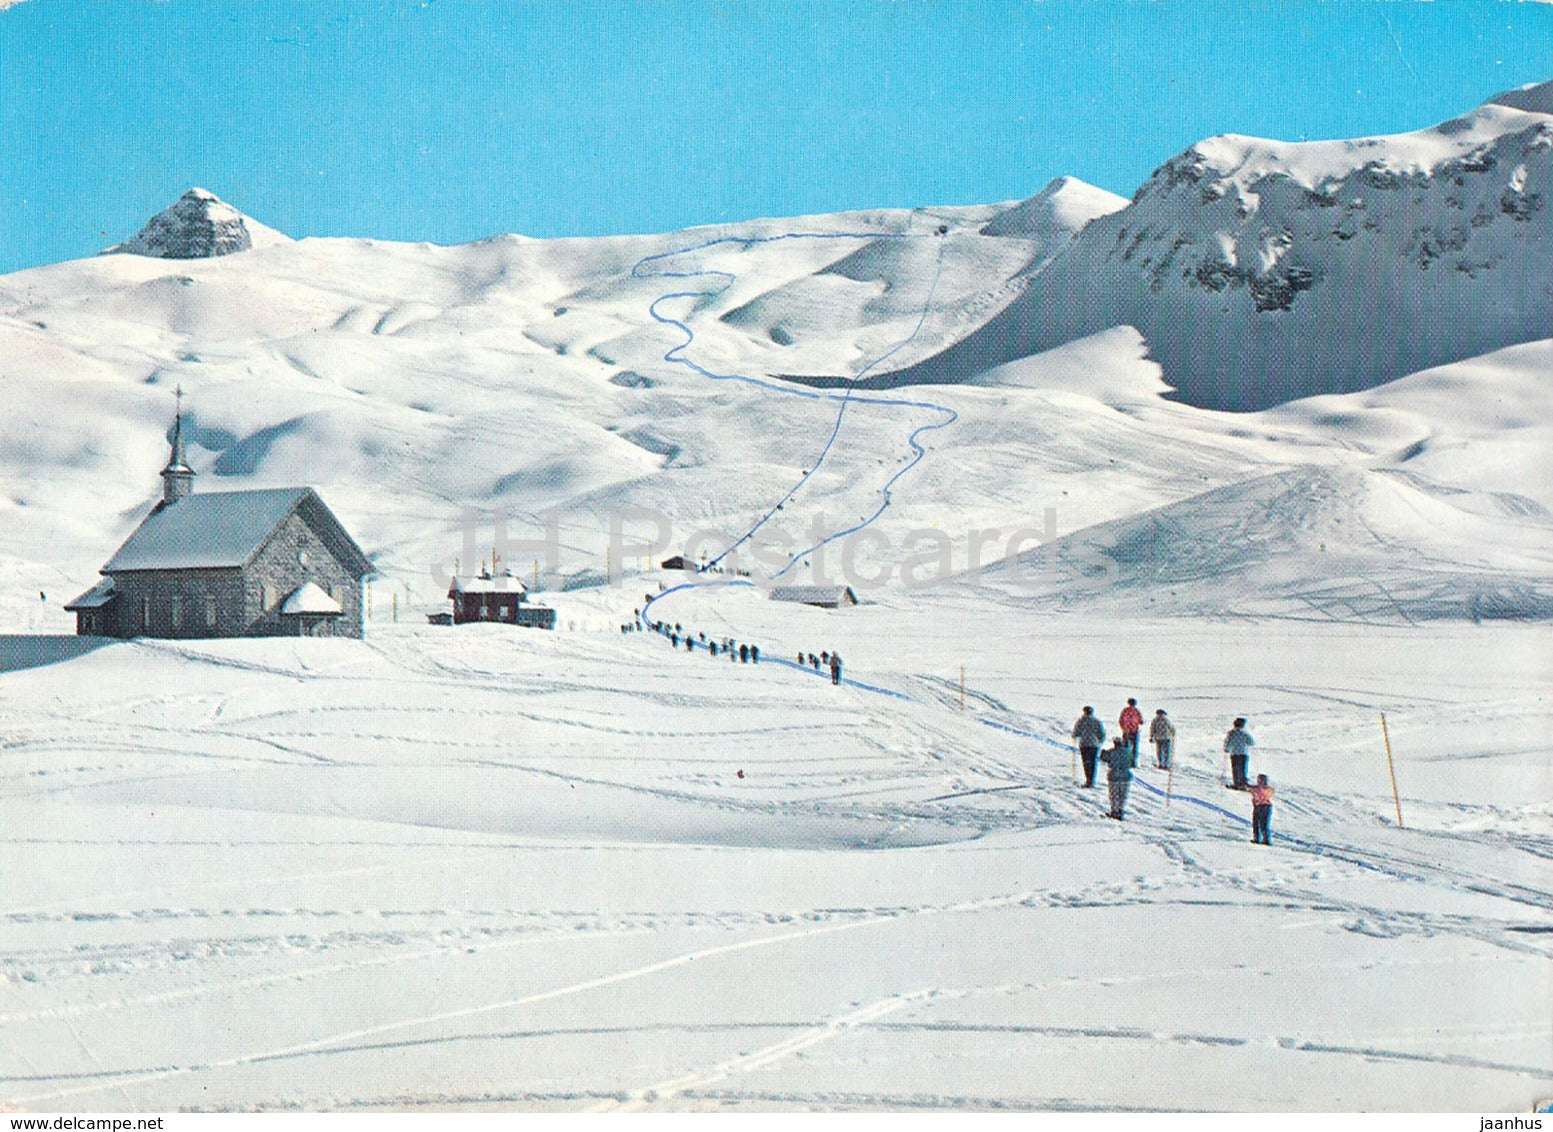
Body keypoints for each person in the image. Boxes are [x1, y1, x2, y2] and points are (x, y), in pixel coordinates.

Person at [1099, 736, 1137, 820]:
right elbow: (1133, 763)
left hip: (1114, 776)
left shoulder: (1111, 752)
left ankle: (1114, 811)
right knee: (1123, 795)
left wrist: (1102, 753)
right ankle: (1121, 810)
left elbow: (1104, 758)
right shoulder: (1128, 752)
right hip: (1125, 776)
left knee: (1114, 795)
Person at [1071, 707, 1105, 788]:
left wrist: (1075, 736)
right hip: (1094, 745)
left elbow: (1076, 733)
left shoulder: (1081, 721)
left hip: (1084, 745)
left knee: (1086, 763)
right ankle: (1092, 780)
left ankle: (1088, 780)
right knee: (1093, 762)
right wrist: (1100, 741)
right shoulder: (1097, 721)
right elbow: (1102, 734)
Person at [1224, 717, 1255, 789]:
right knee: (1243, 769)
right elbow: (1251, 742)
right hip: (1244, 753)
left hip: (1234, 754)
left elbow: (1228, 742)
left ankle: (1236, 783)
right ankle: (1243, 783)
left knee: (1235, 769)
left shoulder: (1231, 733)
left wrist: (1227, 749)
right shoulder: (1244, 733)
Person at [1250, 774, 1274, 844]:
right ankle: (1256, 838)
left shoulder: (1267, 789)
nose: (1259, 782)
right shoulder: (1255, 788)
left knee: (1263, 824)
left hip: (1264, 806)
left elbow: (1268, 792)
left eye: (1261, 780)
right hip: (1258, 806)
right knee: (1256, 823)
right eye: (1259, 780)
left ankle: (1265, 839)